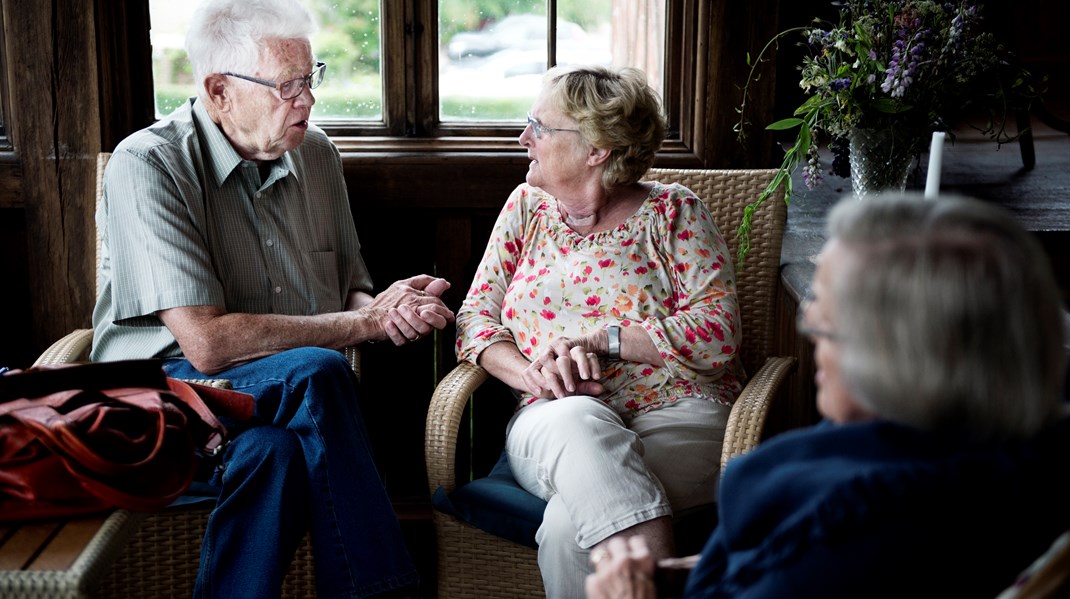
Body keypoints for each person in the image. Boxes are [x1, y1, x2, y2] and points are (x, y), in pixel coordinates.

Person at [89, 0, 455, 597]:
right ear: (219, 91)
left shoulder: (316, 154)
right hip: (157, 400)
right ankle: (383, 591)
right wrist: (361, 325)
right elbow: (207, 346)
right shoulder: (148, 163)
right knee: (318, 369)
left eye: (310, 80)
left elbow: (352, 295)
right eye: (287, 86)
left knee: (273, 452)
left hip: (273, 409)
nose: (307, 101)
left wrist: (388, 309)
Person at [585, 193, 1070, 598]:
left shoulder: (860, 525)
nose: (811, 325)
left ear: (897, 353)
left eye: (827, 312)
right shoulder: (1019, 465)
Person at [454, 64, 745, 597]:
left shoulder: (673, 212)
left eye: (539, 127)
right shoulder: (526, 208)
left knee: (570, 531)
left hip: (675, 411)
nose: (524, 139)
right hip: (552, 417)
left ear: (597, 149)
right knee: (578, 417)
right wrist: (534, 375)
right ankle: (658, 581)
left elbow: (718, 333)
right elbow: (474, 320)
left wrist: (603, 339)